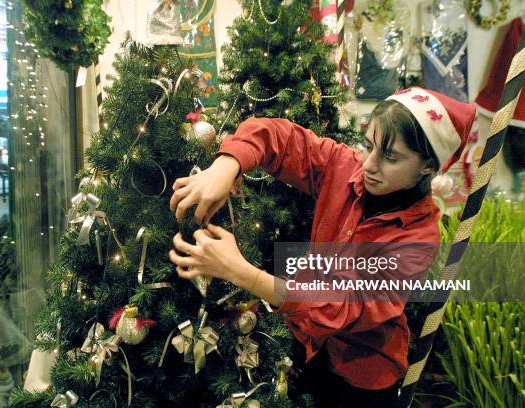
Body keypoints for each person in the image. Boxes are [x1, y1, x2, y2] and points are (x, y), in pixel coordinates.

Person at [168, 87, 476, 407]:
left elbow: (339, 307)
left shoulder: (417, 238)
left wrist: (239, 271)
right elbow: (280, 137)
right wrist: (226, 165)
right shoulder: (345, 166)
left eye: (390, 157)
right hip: (308, 351)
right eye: (368, 146)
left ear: (427, 166)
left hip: (363, 379)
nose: (369, 165)